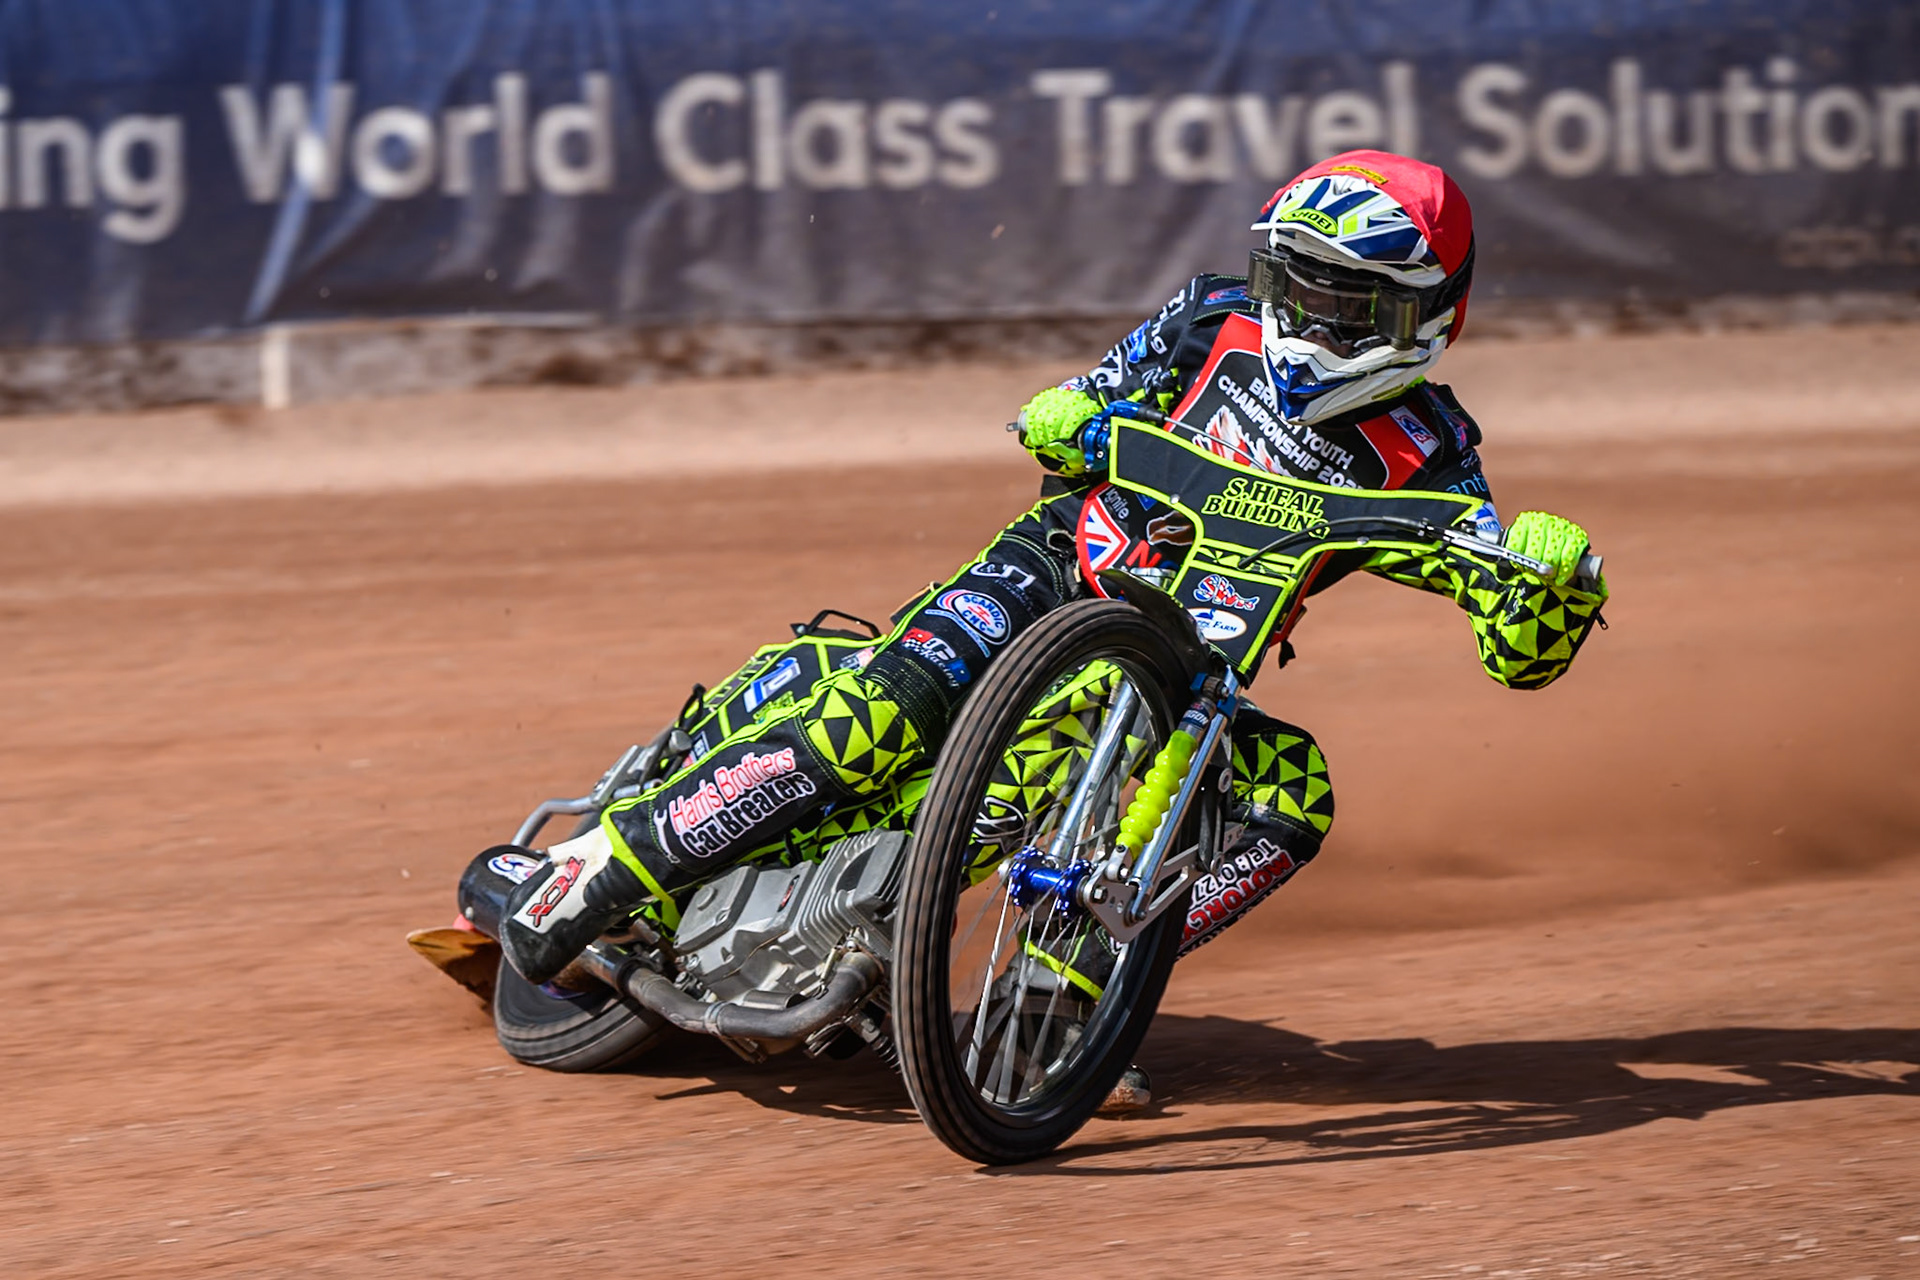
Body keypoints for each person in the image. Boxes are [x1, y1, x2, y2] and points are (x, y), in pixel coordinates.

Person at [494, 149, 1609, 988]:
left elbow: (1515, 652)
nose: (1295, 315)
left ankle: (1071, 987)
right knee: (884, 716)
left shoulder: (1433, 455)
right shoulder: (1213, 314)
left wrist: (1550, 586)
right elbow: (1080, 399)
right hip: (1051, 572)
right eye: (1288, 279)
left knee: (1291, 794)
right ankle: (604, 858)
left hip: (1187, 675)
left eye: (1335, 300)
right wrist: (1066, 413)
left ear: (1418, 319)